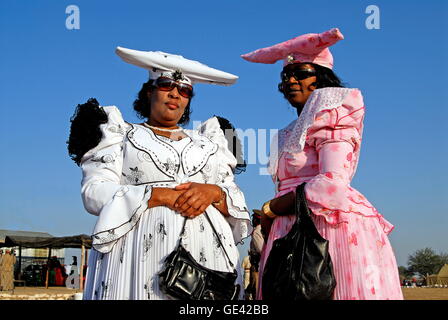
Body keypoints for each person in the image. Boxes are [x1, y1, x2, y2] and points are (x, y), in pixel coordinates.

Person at [68, 47, 252, 300]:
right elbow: (94, 192)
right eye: (166, 85)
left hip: (210, 255)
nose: (175, 94)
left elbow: (233, 193)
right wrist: (155, 195)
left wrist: (214, 192)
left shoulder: (210, 141)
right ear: (149, 91)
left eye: (185, 91)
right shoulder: (120, 134)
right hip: (139, 258)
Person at [242, 28, 403, 300]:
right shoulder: (287, 131)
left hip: (328, 226)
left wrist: (272, 208)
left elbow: (332, 183)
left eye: (302, 73)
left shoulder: (333, 111)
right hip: (288, 225)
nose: (292, 80)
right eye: (286, 75)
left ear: (321, 79)